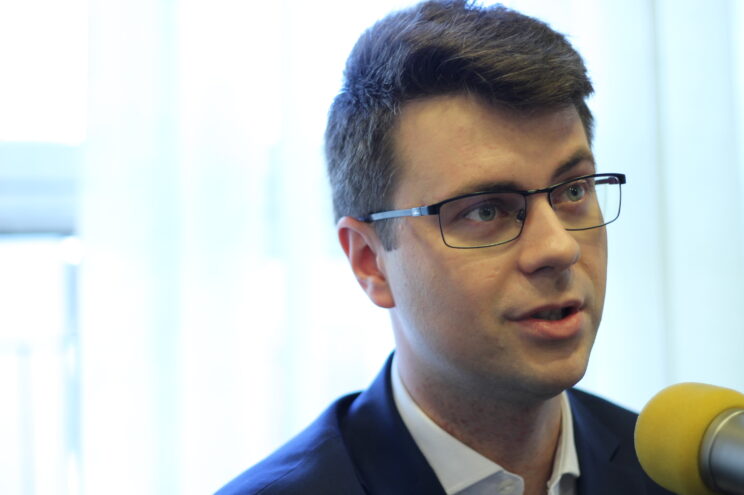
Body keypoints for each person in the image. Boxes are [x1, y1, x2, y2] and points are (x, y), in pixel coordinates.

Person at [217, 1, 672, 494]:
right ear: (370, 262)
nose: (559, 248)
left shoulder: (679, 477)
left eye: (573, 191)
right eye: (486, 211)